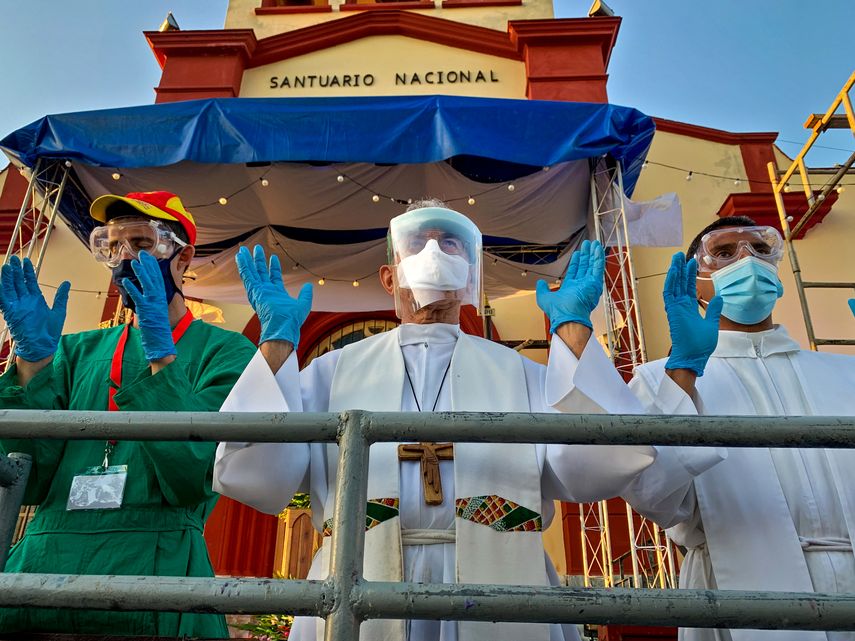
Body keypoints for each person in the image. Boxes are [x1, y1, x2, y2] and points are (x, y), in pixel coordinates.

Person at [214, 200, 657, 641]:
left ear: (468, 272)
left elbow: (595, 469)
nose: (434, 252)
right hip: (361, 571)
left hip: (500, 575)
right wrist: (275, 345)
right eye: (418, 243)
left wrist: (574, 333)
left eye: (449, 242)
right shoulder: (333, 372)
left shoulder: (521, 373)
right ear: (389, 277)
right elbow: (259, 475)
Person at [0, 191, 256, 636]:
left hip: (159, 569)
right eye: (112, 244)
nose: (123, 257)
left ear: (181, 258)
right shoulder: (75, 350)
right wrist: (31, 365)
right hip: (44, 567)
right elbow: (29, 478)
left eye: (140, 243)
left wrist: (161, 355)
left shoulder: (227, 351)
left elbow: (189, 479)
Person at [623, 215, 855, 641]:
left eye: (761, 249)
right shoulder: (661, 378)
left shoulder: (847, 373)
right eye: (725, 253)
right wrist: (684, 373)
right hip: (736, 580)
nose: (747, 260)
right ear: (695, 283)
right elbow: (654, 495)